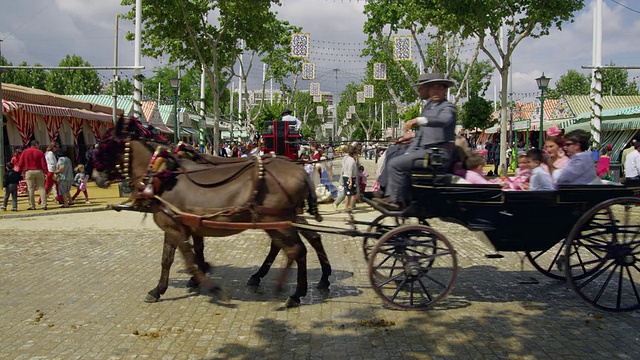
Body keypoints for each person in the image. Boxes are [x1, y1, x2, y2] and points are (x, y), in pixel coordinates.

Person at [374, 73, 457, 210]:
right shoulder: (429, 107)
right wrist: (408, 154)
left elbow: (444, 121)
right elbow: (420, 137)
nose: (435, 91)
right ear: (429, 90)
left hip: (439, 154)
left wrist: (418, 120)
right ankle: (388, 191)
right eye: (433, 88)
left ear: (445, 90)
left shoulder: (448, 107)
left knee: (396, 164)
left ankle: (395, 200)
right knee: (395, 154)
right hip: (426, 152)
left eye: (439, 88)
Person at [17, 140, 48, 210]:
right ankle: (44, 204)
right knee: (41, 188)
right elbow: (43, 163)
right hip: (39, 170)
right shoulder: (39, 152)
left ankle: (32, 205)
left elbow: (21, 162)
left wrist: (19, 171)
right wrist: (45, 171)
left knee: (30, 189)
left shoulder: (25, 152)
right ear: (36, 144)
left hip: (29, 171)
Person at [341, 146, 358, 211]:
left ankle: (346, 207)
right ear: (354, 154)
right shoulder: (352, 161)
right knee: (353, 194)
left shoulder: (348, 159)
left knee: (347, 194)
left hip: (346, 176)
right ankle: (350, 207)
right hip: (350, 177)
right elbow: (350, 171)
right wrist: (350, 181)